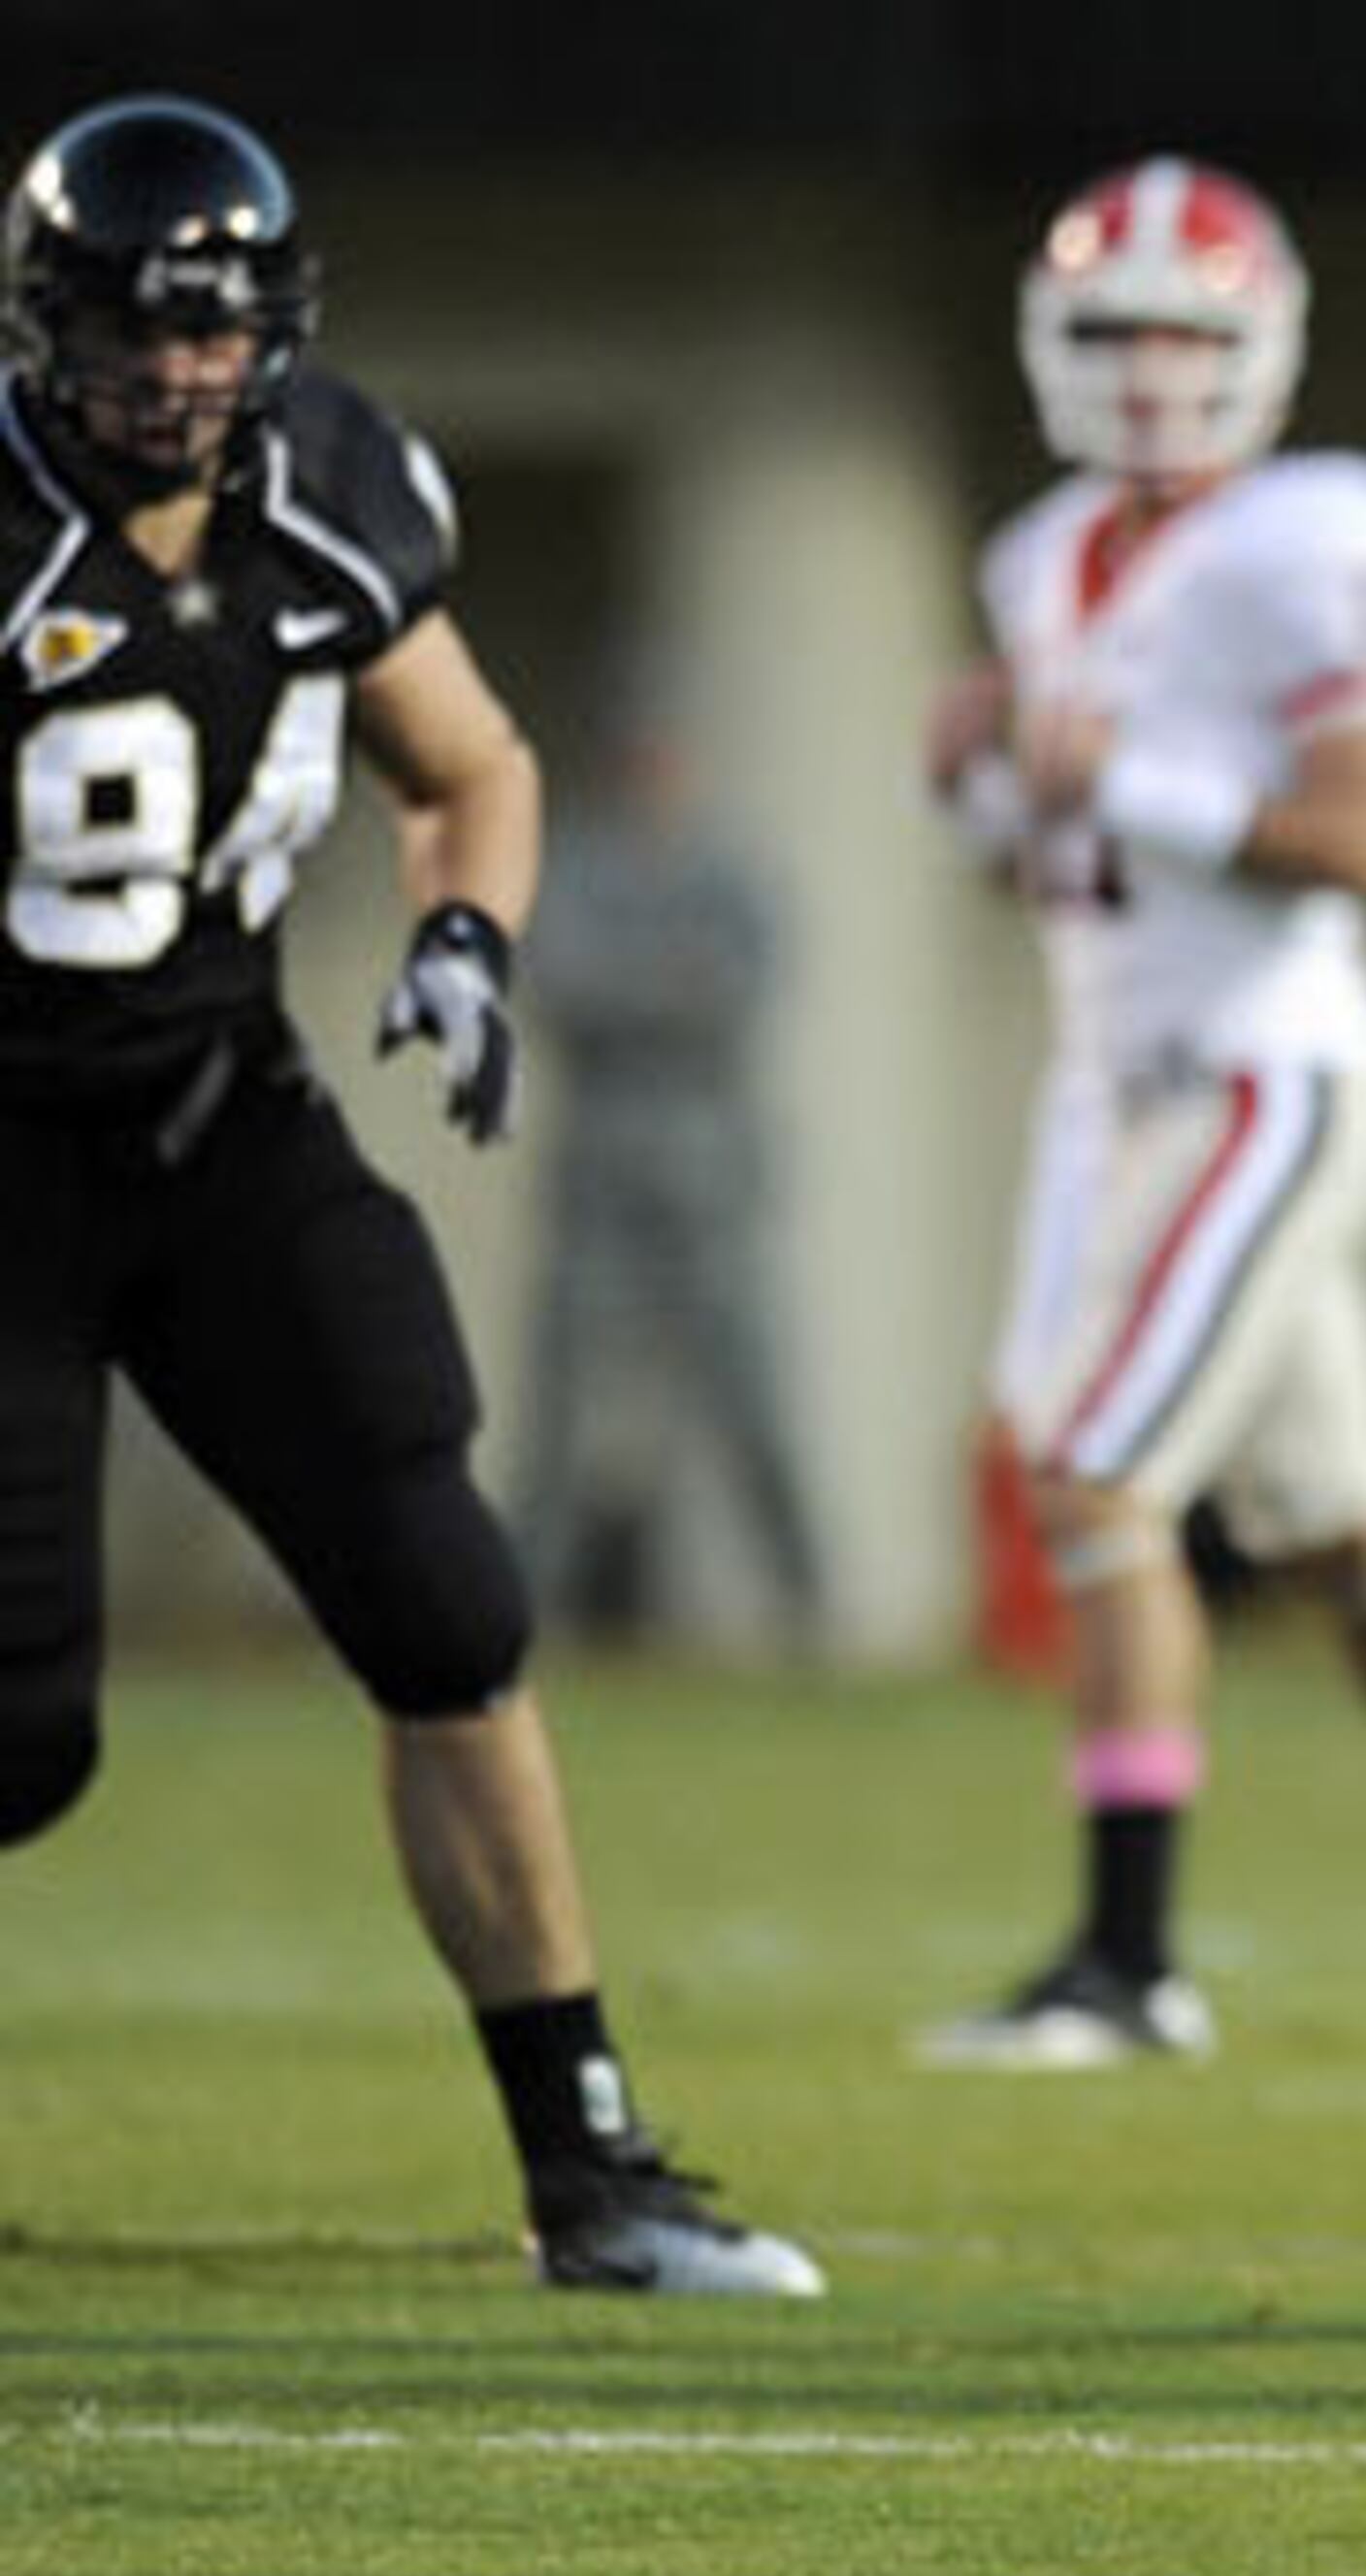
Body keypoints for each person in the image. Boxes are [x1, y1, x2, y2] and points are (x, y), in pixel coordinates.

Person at [0, 95, 818, 2296]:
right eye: (133, 329)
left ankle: (589, 2163)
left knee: (448, 1601)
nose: (176, 372)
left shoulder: (327, 483)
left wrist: (467, 937)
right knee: (22, 1738)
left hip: (217, 1118)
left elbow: (471, 762)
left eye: (213, 328)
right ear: (48, 326)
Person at [917, 154, 1366, 2071]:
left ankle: (1128, 1963)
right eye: (1111, 330)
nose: (1145, 371)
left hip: (1268, 1077)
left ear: (1260, 345)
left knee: (1095, 1479)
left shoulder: (1318, 535)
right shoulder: (1040, 556)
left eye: (1181, 333)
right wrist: (982, 790)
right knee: (1339, 1525)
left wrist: (1118, 773)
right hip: (1118, 1088)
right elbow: (1060, 864)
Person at [512, 701, 822, 1644]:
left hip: (709, 1180)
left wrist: (638, 987)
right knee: (560, 1404)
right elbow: (561, 982)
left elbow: (740, 985)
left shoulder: (728, 875)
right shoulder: (574, 869)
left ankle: (808, 1608)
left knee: (754, 1400)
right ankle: (522, 1613)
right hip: (601, 1178)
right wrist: (667, 981)